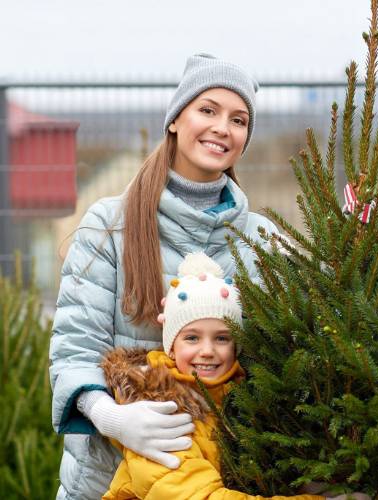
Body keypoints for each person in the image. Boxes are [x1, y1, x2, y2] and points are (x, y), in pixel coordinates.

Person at [50, 53, 280, 500]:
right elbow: (74, 350)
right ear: (175, 119)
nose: (222, 128)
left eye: (238, 119)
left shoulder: (262, 240)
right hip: (107, 483)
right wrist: (112, 417)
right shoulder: (109, 225)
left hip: (223, 486)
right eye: (207, 110)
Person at [101, 252, 325, 499]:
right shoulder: (156, 408)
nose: (207, 351)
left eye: (221, 338)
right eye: (192, 338)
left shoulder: (248, 402)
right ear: (171, 348)